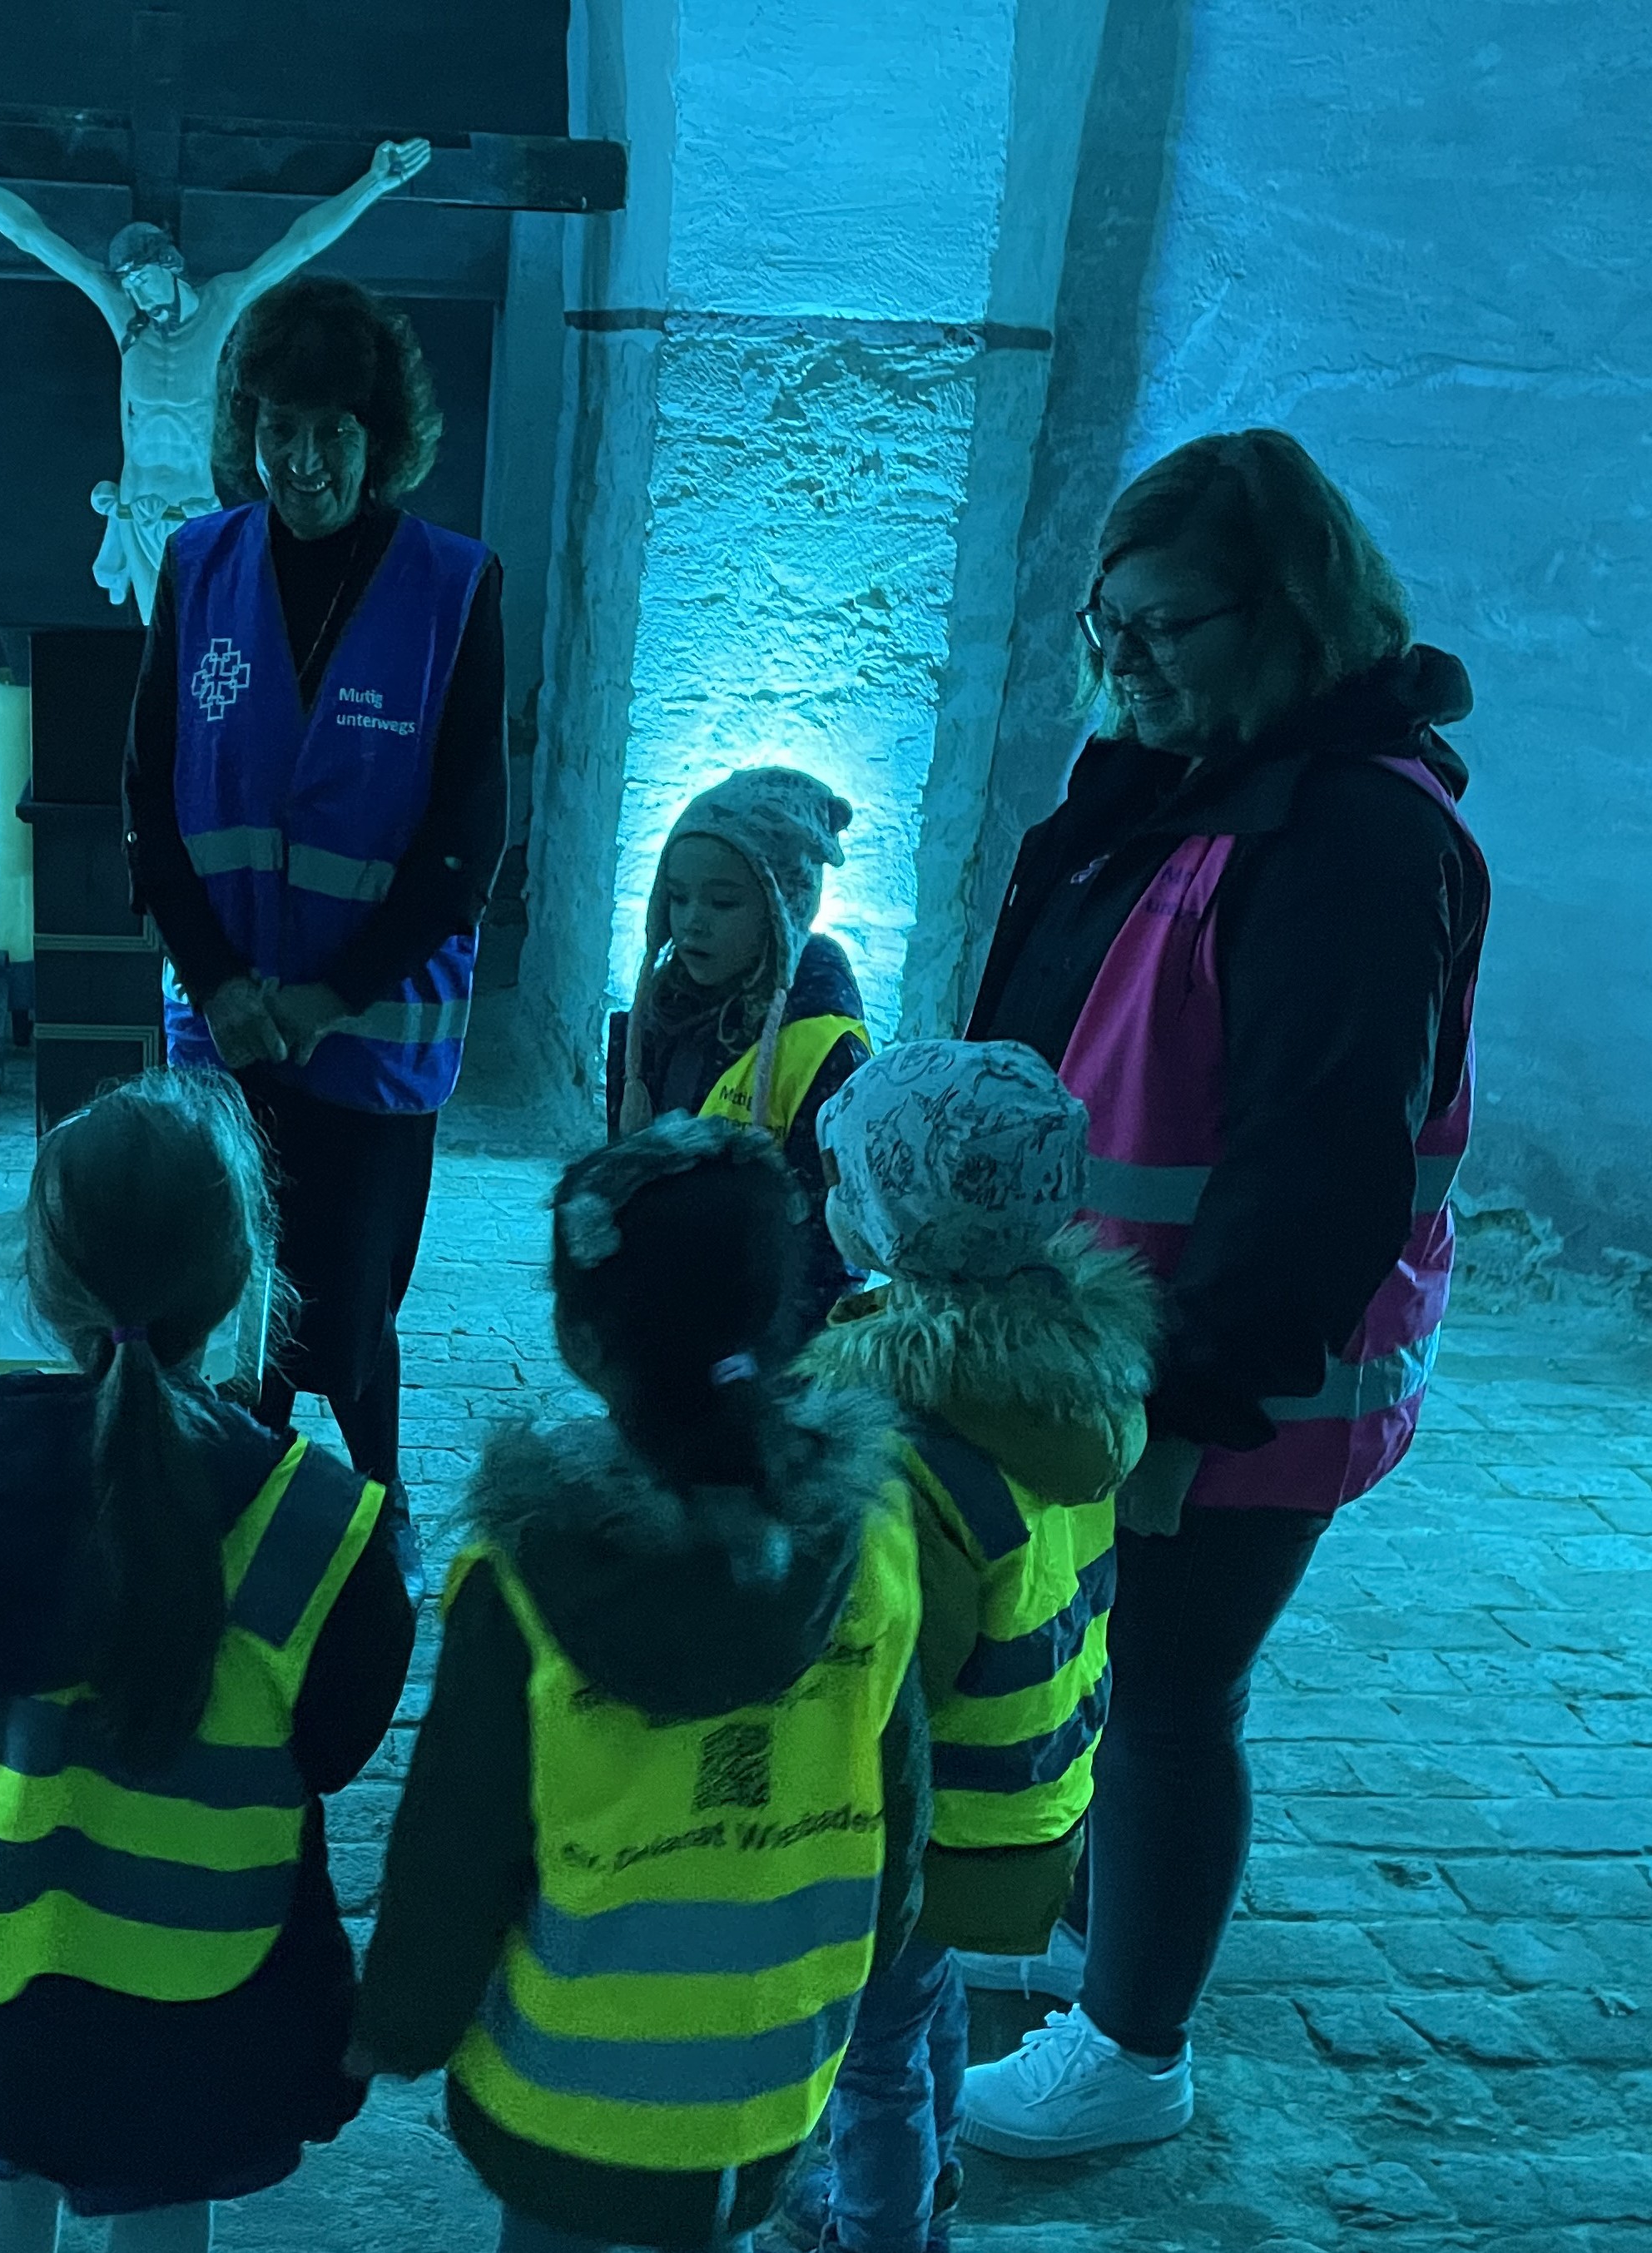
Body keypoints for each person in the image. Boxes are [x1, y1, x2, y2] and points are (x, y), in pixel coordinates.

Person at [955, 429, 1490, 2156]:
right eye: (1108, 629)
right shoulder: (1193, 764)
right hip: (1109, 1347)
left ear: (1284, 613)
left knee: (1171, 1695)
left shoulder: (1347, 837)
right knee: (1107, 1677)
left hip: (1217, 1378)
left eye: (1163, 630)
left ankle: (1131, 2048)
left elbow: (1318, 1157)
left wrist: (1183, 1397)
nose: (1124, 665)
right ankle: (1107, 1939)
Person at [0, 1071, 415, 2253]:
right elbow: (337, 1740)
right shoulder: (313, 1522)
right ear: (241, 1275)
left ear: (39, 1282)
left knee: (8, 2155)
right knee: (158, 2196)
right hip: (204, 1968)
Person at [350, 1118, 925, 2253]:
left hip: (564, 2087)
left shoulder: (517, 1586)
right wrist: (884, 1936)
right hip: (772, 2068)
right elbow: (898, 1783)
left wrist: (396, 2024)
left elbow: (453, 1846)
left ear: (576, 1335)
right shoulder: (873, 1538)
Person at [123, 274, 508, 1510]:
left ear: (379, 437)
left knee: (347, 1308)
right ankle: (242, 1498)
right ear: (245, 428)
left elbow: (465, 838)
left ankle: (379, 1501)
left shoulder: (453, 589)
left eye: (332, 431)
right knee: (227, 1293)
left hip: (373, 1035)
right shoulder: (196, 564)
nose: (300, 462)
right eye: (277, 428)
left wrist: (329, 995)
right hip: (224, 1028)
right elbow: (148, 799)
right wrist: (221, 982)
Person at [786, 1041, 1157, 2252]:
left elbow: (887, 1668)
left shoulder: (905, 1442)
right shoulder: (1064, 1383)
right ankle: (927, 2177)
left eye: (848, 1182)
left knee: (869, 2046)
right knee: (927, 1996)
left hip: (921, 1814)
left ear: (905, 1216)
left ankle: (876, 2223)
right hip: (1029, 1788)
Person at [0, 116, 433, 618]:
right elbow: (33, 236)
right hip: (135, 502)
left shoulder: (221, 305)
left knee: (206, 628)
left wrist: (375, 183)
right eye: (127, 286)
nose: (137, 295)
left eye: (142, 281)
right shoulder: (126, 318)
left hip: (193, 508)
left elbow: (300, 242)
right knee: (154, 637)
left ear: (168, 267)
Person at [617, 765, 871, 1308]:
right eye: (677, 897)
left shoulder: (826, 1052)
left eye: (722, 902)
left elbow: (832, 1246)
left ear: (780, 911)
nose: (690, 922)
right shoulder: (662, 1013)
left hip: (756, 1334)